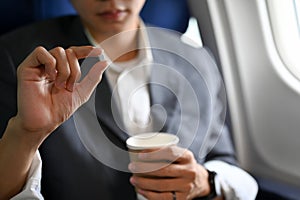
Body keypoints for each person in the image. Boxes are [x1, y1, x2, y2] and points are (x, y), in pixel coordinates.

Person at [0, 0, 258, 199]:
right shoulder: (22, 61)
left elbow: (224, 160)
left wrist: (206, 182)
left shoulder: (195, 57)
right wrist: (27, 133)